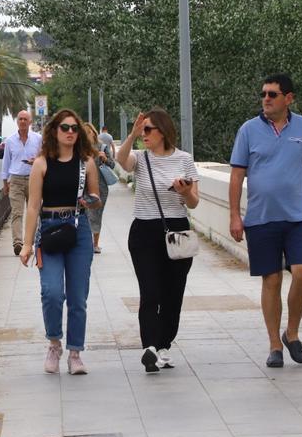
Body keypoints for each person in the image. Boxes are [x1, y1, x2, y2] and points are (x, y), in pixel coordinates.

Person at [228, 73, 302, 369]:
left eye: (273, 94)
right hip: (261, 219)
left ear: (289, 98)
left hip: (297, 216)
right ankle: (275, 344)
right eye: (263, 94)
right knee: (271, 280)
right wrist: (235, 215)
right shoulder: (248, 130)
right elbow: (237, 175)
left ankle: (292, 333)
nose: (266, 99)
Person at [117, 108, 200, 373]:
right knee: (150, 291)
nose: (145, 134)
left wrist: (185, 192)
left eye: (148, 129)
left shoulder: (184, 159)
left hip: (176, 230)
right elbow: (121, 160)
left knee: (173, 293)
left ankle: (164, 345)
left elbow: (194, 202)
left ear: (163, 131)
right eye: (142, 130)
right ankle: (149, 347)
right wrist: (131, 134)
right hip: (144, 231)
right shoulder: (141, 158)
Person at [20, 108, 101, 375]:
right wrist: (27, 244)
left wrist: (87, 201)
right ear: (54, 131)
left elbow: (95, 197)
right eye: (64, 128)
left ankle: (75, 352)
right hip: (51, 231)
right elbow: (32, 206)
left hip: (77, 230)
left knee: (78, 297)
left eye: (74, 128)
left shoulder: (86, 162)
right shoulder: (42, 163)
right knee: (52, 293)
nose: (69, 132)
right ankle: (54, 343)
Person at [0, 110, 42, 256]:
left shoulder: (38, 139)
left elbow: (43, 158)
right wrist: (5, 182)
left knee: (34, 212)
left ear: (30, 122)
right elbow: (6, 162)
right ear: (17, 122)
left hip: (34, 179)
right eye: (20, 119)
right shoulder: (10, 141)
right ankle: (18, 243)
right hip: (16, 180)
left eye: (25, 119)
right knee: (17, 213)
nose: (23, 121)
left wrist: (35, 161)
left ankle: (30, 241)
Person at [83, 122, 112, 253]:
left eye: (88, 132)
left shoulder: (102, 147)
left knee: (97, 214)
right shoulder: (79, 149)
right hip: (83, 186)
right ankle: (87, 243)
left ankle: (95, 244)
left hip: (101, 186)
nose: (86, 135)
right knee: (87, 214)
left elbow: (112, 164)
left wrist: (105, 158)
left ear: (93, 133)